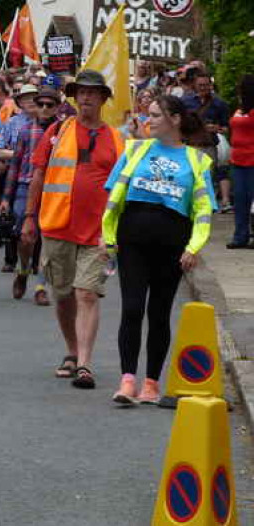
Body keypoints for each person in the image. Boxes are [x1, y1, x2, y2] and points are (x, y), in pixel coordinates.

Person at [103, 95, 215, 405]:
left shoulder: (196, 160)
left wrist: (194, 247)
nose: (147, 120)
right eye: (147, 114)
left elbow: (205, 210)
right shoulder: (135, 150)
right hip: (133, 240)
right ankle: (128, 380)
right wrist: (107, 237)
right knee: (133, 308)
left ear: (175, 119)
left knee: (159, 313)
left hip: (172, 245)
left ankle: (151, 383)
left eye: (155, 115)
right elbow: (113, 198)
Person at [22, 70, 124, 390]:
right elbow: (38, 175)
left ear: (104, 98)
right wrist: (28, 217)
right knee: (63, 295)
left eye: (93, 93)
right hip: (57, 225)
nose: (85, 97)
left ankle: (84, 364)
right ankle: (71, 350)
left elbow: (125, 186)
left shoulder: (118, 139)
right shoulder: (58, 130)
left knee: (87, 294)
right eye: (80, 92)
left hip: (98, 232)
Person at [2, 86, 61, 306]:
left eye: (50, 105)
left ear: (57, 107)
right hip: (25, 188)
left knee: (48, 241)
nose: (44, 109)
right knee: (26, 237)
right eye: (40, 104)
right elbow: (15, 165)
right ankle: (23, 269)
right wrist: (6, 199)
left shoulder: (63, 132)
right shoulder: (26, 131)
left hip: (54, 191)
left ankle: (40, 286)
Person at [0, 84, 38, 272]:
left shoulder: (47, 124)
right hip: (15, 175)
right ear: (19, 102)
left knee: (37, 219)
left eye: (33, 97)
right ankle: (10, 259)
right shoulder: (12, 123)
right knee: (11, 217)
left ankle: (35, 261)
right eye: (25, 98)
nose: (30, 101)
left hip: (37, 177)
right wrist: (18, 155)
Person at [188, 73, 232, 211]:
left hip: (208, 146)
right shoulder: (186, 102)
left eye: (206, 85)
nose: (203, 88)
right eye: (200, 85)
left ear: (210, 85)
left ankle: (204, 206)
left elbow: (226, 128)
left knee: (206, 178)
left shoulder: (220, 104)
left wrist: (216, 128)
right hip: (189, 145)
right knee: (189, 176)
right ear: (195, 85)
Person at [227, 75, 254, 248]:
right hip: (237, 159)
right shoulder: (239, 109)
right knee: (240, 199)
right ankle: (240, 236)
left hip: (252, 158)